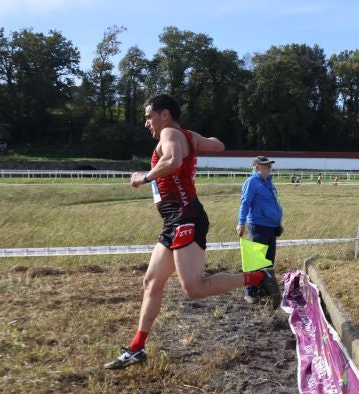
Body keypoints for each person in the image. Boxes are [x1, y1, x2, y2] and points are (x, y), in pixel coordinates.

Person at [104, 94, 280, 370]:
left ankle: (260, 276)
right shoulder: (181, 133)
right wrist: (192, 139)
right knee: (151, 282)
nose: (146, 123)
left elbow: (173, 160)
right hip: (173, 221)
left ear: (165, 115)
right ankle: (137, 348)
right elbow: (218, 145)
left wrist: (145, 177)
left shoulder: (170, 133)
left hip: (185, 218)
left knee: (194, 287)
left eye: (150, 116)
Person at [237, 156, 284, 304]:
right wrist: (241, 222)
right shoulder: (251, 182)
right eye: (265, 166)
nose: (269, 168)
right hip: (258, 225)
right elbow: (245, 203)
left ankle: (263, 289)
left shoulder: (268, 183)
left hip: (271, 226)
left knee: (268, 261)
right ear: (256, 167)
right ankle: (250, 291)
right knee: (255, 260)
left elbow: (272, 204)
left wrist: (277, 223)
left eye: (269, 165)